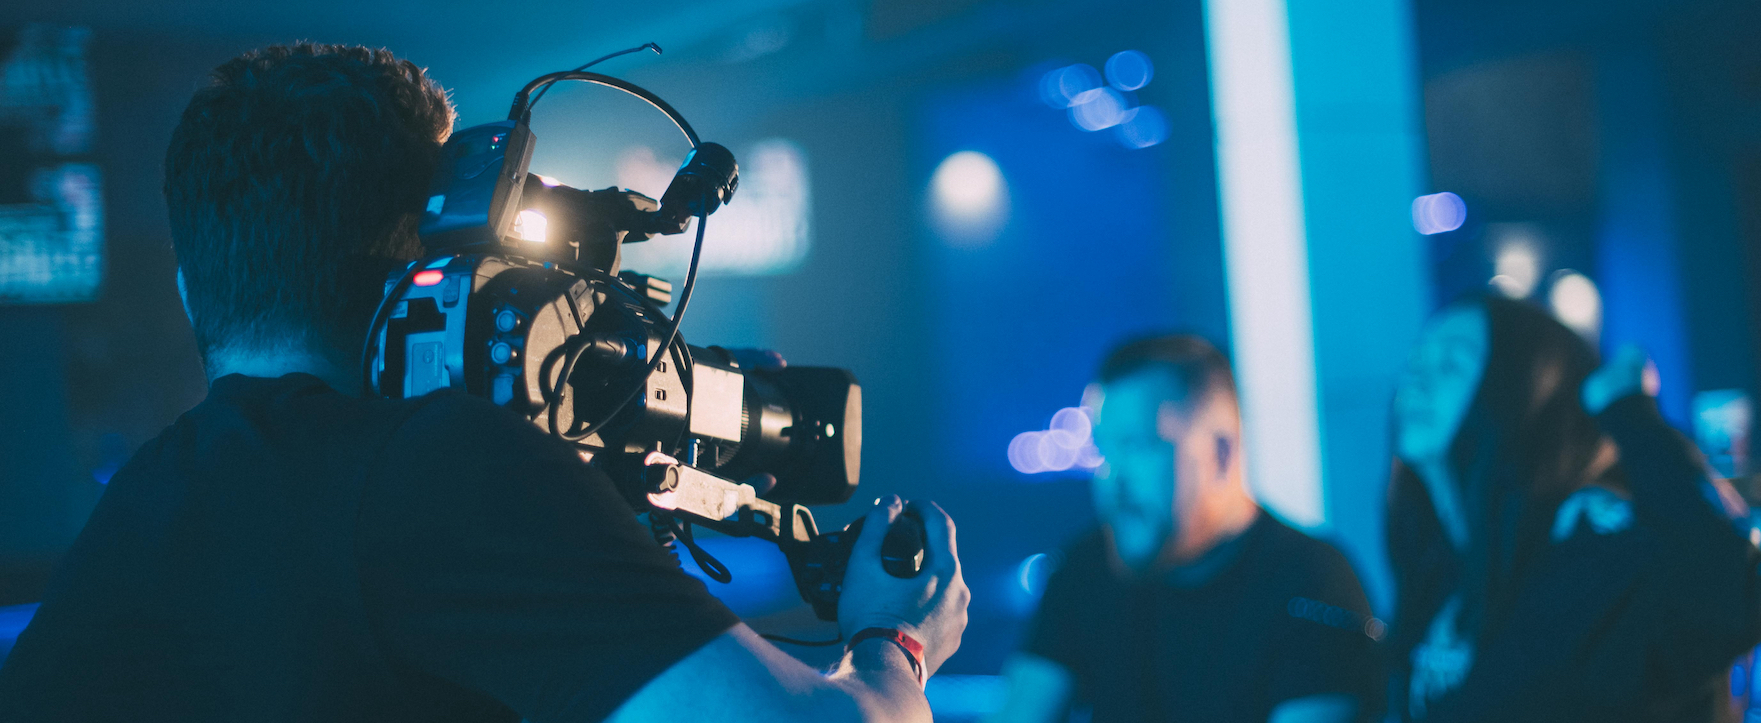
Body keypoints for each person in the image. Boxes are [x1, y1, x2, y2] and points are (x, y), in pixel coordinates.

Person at [0, 43, 969, 723]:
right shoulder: (433, 469)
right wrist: (896, 644)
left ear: (188, 290)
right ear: (439, 250)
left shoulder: (131, 518)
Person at [1386, 295, 1761, 722]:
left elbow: (1726, 594)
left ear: (1521, 389)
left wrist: (1632, 414)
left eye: (1452, 364)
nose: (1417, 380)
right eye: (1416, 362)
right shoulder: (1440, 564)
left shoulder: (1588, 543)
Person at [991, 335, 1383, 723]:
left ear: (1221, 453)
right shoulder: (1086, 570)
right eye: (1104, 451)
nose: (1112, 479)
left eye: (1140, 445)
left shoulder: (1312, 582)